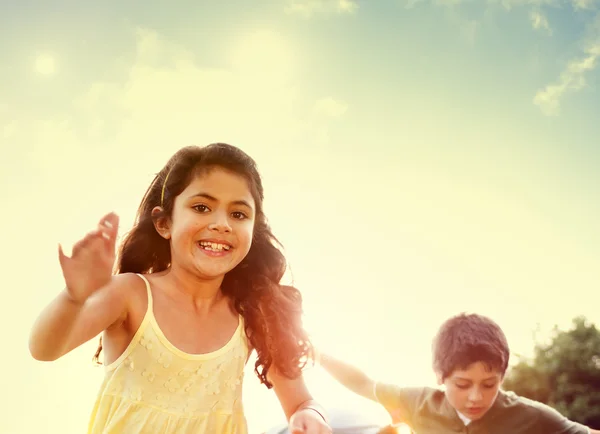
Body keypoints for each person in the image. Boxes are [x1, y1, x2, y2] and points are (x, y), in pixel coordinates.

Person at [29, 143, 331, 434]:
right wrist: (74, 297)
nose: (221, 223)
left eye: (238, 214)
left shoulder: (253, 311)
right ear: (164, 223)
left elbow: (301, 400)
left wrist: (309, 414)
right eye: (202, 207)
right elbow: (45, 349)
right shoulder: (131, 294)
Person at [316, 313, 599, 434]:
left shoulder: (531, 416)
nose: (476, 397)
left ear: (502, 376)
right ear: (440, 375)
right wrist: (315, 353)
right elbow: (363, 383)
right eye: (462, 384)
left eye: (489, 384)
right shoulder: (417, 402)